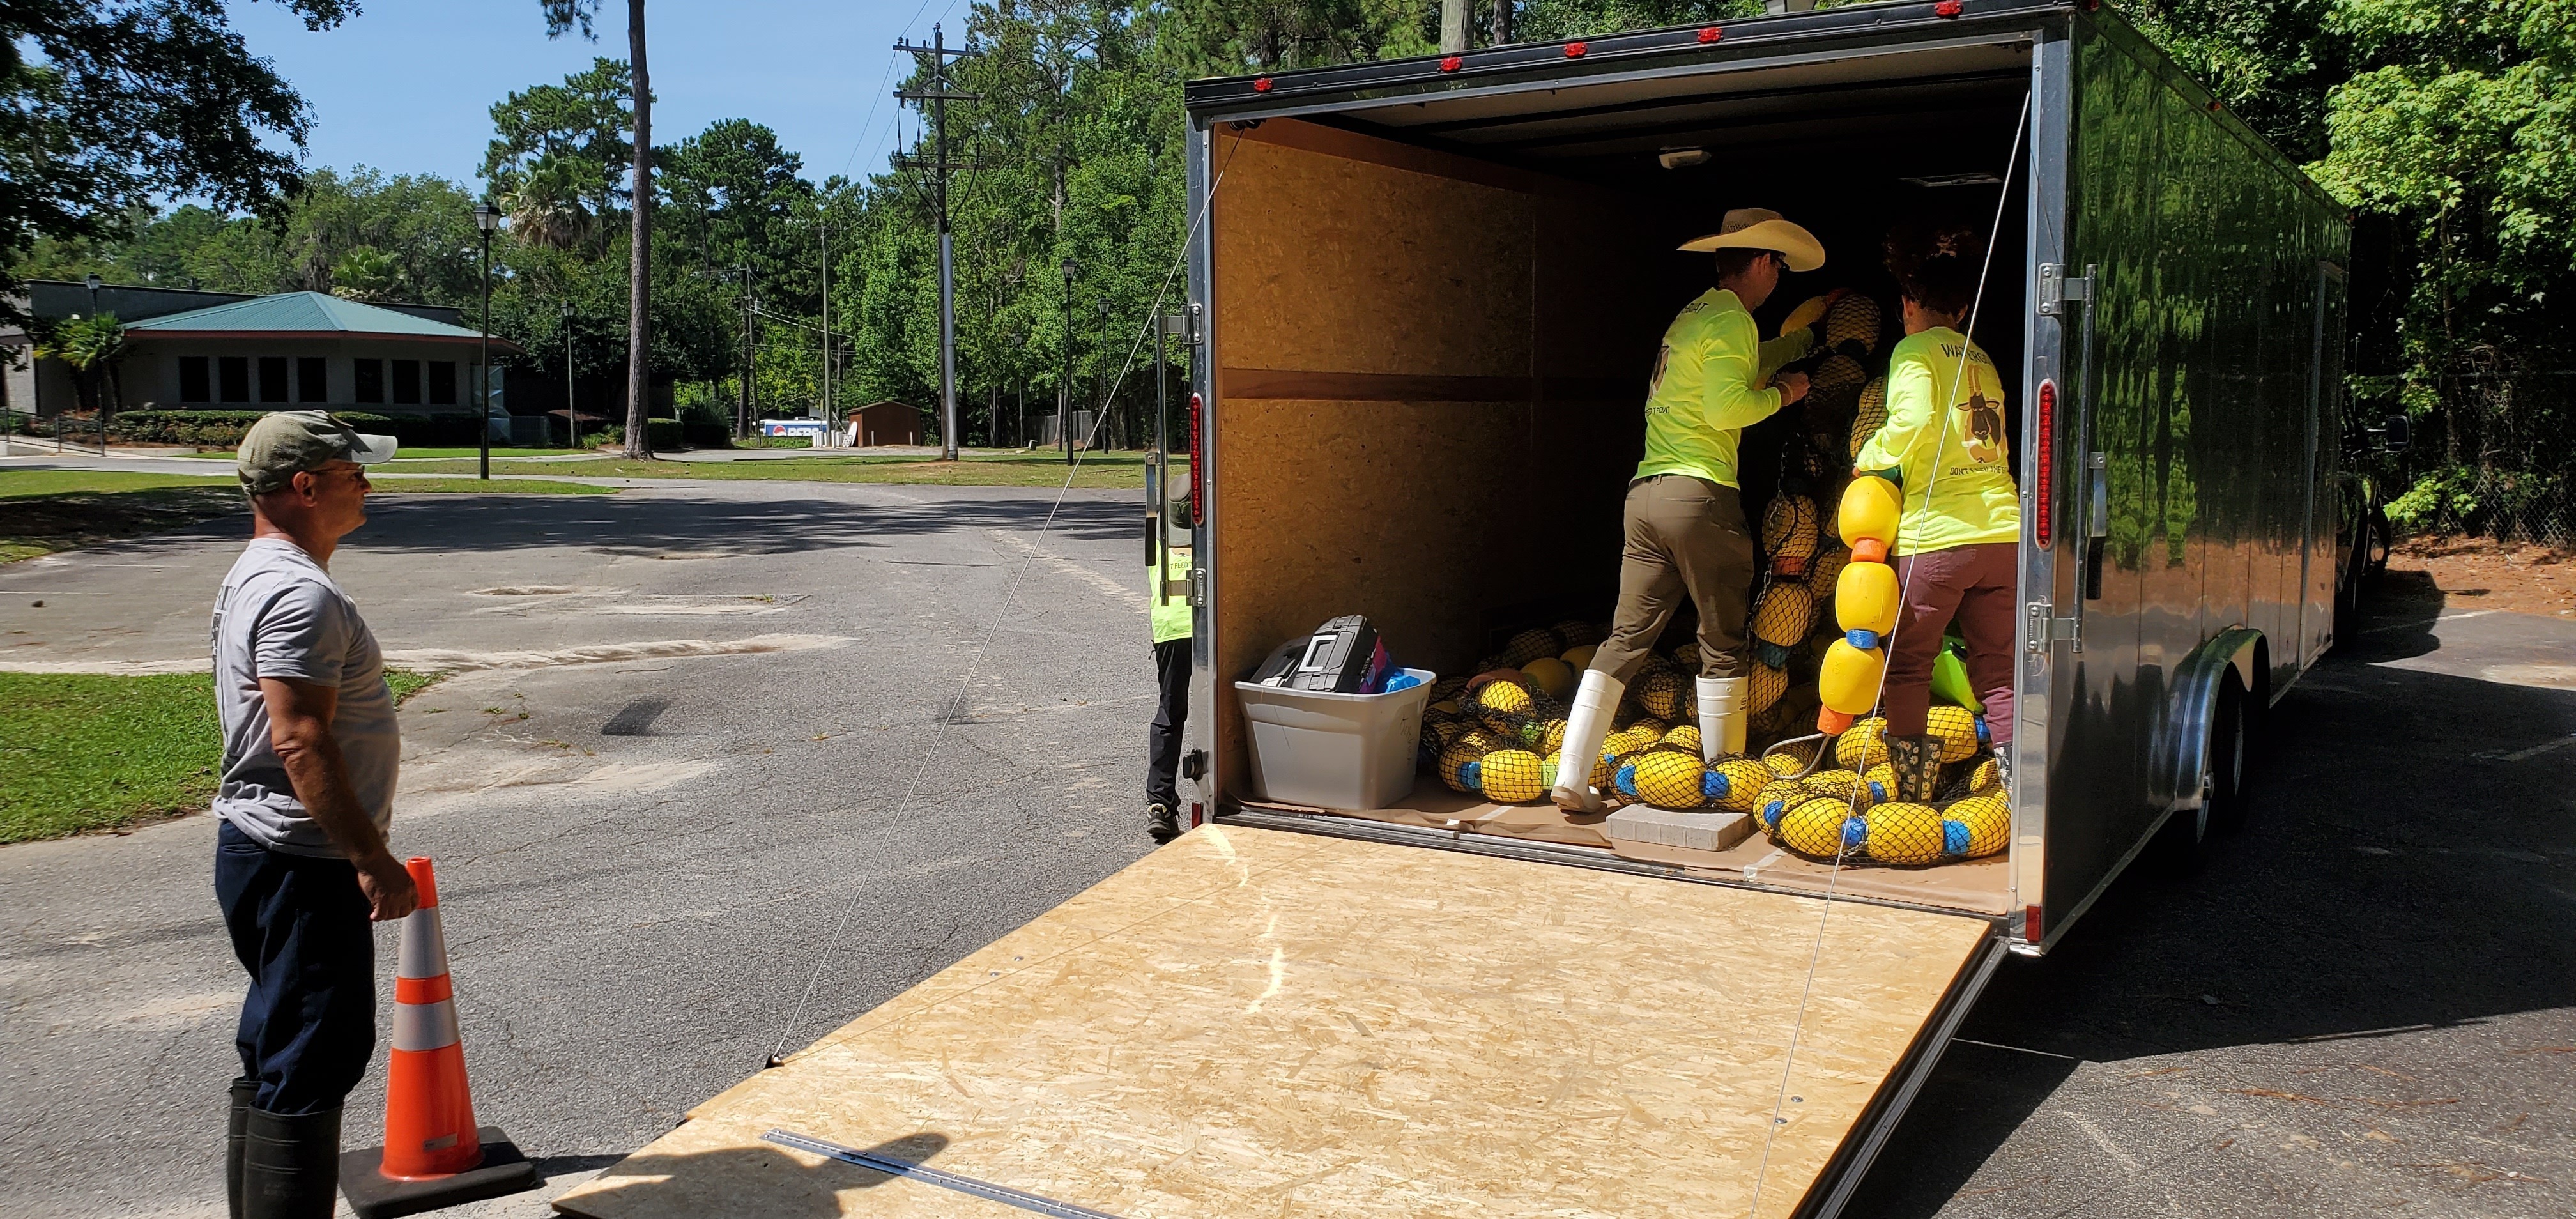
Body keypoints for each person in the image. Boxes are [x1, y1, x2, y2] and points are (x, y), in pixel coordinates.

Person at [1552, 208, 1824, 811]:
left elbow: (1734, 366)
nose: (1780, 274)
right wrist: (1787, 392)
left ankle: (1571, 775)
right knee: (1723, 642)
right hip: (1701, 498)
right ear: (1760, 262)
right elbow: (1730, 406)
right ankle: (1725, 783)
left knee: (1625, 638)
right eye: (1778, 264)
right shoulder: (1732, 321)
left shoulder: (1696, 315)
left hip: (1646, 495)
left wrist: (1802, 341)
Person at [212, 411, 407, 1218]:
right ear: (304, 486)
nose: (367, 482)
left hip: (264, 850)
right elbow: (299, 741)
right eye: (351, 470)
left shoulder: (257, 572)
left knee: (277, 1051)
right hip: (302, 858)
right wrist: (369, 856)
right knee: (312, 1057)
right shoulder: (299, 593)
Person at [1851, 218, 2020, 801]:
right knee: (1998, 674)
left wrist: (1870, 456)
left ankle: (1912, 797)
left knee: (1908, 666)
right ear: (1964, 309)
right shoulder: (1983, 358)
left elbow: (1916, 421)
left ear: (1908, 304)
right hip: (2003, 536)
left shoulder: (1913, 351)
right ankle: (2021, 797)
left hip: (1940, 538)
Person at [1146, 468, 1193, 843]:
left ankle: (1160, 804)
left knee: (1170, 712)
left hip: (1167, 627)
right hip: (1204, 622)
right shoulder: (1206, 534)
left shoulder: (1154, 535)